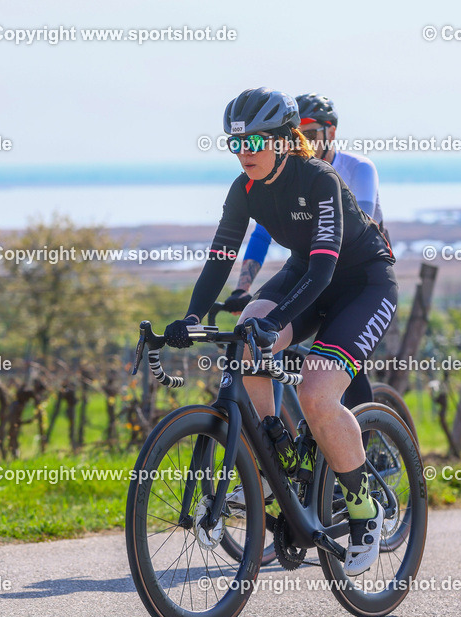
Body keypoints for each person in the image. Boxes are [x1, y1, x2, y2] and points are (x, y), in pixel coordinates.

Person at [164, 88, 398, 576]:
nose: (244, 152)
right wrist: (191, 317)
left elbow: (324, 272)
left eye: (254, 142)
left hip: (361, 284)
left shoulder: (319, 179)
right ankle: (274, 442)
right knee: (246, 334)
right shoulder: (243, 189)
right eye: (236, 144)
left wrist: (275, 322)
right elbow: (220, 258)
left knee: (315, 390)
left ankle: (363, 512)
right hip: (306, 275)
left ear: (284, 141)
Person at [222, 93, 388, 411]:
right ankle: (273, 432)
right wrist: (243, 288)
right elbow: (261, 234)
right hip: (313, 265)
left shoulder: (356, 168)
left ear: (332, 134)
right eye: (303, 134)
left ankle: (368, 449)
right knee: (263, 332)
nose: (306, 141)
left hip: (355, 269)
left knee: (339, 364)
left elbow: (366, 219)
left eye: (313, 134)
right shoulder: (283, 175)